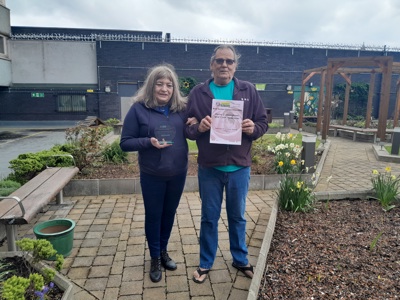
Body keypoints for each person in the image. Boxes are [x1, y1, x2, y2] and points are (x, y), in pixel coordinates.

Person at [185, 44, 268, 283]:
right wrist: (197, 128)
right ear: (211, 65)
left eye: (229, 61)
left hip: (239, 167)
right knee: (209, 217)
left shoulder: (248, 90)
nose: (224, 65)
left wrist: (254, 129)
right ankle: (205, 262)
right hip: (209, 168)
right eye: (219, 61)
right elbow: (187, 127)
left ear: (235, 66)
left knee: (238, 217)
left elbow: (263, 123)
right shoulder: (199, 93)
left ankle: (240, 258)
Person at [120, 64, 190, 283]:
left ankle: (163, 251)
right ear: (151, 86)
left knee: (169, 214)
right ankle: (154, 258)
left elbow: (193, 130)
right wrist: (147, 142)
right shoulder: (139, 109)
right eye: (159, 84)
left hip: (178, 173)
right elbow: (125, 143)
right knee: (154, 216)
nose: (164, 89)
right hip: (152, 174)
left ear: (174, 88)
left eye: (169, 85)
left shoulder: (181, 109)